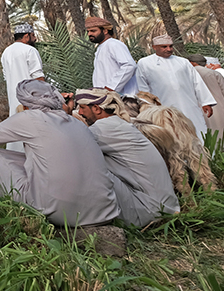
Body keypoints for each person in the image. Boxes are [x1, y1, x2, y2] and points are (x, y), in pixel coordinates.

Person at [0, 80, 121, 229]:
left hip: (57, 212)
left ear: (26, 104)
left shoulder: (28, 118)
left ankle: (0, 202)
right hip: (104, 211)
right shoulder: (76, 122)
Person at [74, 88, 180, 227]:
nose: (80, 113)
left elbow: (71, 149)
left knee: (84, 166)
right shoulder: (117, 124)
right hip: (164, 208)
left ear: (97, 109)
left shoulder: (104, 129)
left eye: (82, 108)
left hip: (150, 212)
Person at [136, 35, 215, 141]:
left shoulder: (183, 62)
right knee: (171, 134)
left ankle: (204, 155)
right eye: (164, 47)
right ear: (154, 47)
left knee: (197, 130)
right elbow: (143, 88)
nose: (168, 49)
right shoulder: (144, 63)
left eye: (170, 46)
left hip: (189, 105)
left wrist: (206, 102)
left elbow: (197, 82)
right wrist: (148, 109)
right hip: (163, 107)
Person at [187, 54, 224, 150]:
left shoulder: (187, 75)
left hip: (198, 110)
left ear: (191, 63)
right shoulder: (213, 74)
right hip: (219, 110)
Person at [0, 23, 45, 118]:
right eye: (33, 35)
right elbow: (39, 79)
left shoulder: (6, 53)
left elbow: (6, 77)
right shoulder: (30, 50)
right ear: (26, 36)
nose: (35, 38)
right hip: (31, 104)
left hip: (14, 106)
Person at [86, 17, 138, 95]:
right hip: (107, 97)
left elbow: (129, 66)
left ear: (105, 31)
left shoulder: (113, 44)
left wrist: (111, 88)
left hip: (122, 98)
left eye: (93, 31)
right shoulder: (102, 47)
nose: (89, 34)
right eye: (88, 31)